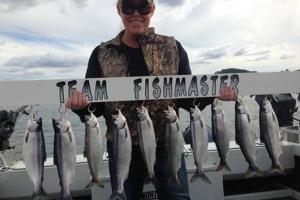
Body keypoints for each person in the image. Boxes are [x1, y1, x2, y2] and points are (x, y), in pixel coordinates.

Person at [66, 0, 237, 199]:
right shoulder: (102, 53)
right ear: (119, 10)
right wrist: (81, 107)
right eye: (129, 7)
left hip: (168, 143)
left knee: (178, 196)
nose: (136, 13)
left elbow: (187, 98)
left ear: (153, 9)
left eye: (143, 7)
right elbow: (95, 106)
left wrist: (214, 94)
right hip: (122, 147)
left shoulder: (172, 47)